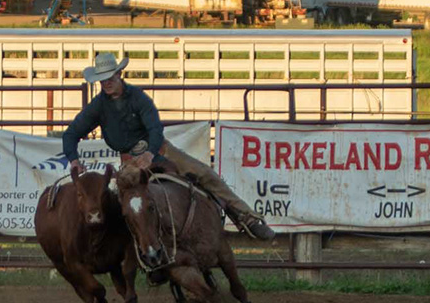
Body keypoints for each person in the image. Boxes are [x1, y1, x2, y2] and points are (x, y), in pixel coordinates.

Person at [62, 51, 273, 240]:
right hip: (130, 162)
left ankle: (246, 217)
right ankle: (129, 250)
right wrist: (74, 160)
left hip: (161, 150)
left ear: (119, 74)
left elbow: (155, 129)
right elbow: (71, 134)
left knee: (204, 173)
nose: (107, 83)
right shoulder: (98, 106)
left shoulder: (138, 98)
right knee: (122, 199)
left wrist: (149, 153)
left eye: (110, 78)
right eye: (103, 80)